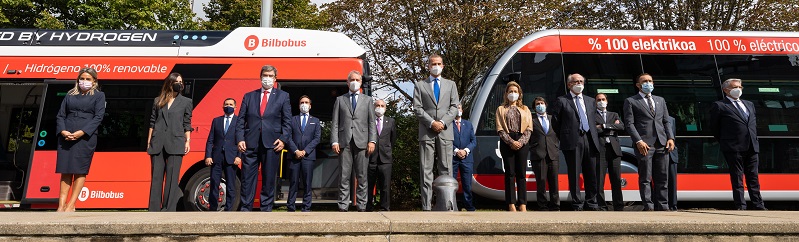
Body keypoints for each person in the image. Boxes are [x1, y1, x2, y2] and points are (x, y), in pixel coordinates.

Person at [236, 65, 292, 212]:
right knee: (247, 178)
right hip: (250, 143)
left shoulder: (283, 96)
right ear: (260, 77)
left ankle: (265, 209)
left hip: (272, 144)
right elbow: (241, 120)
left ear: (275, 78)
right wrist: (240, 139)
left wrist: (283, 139)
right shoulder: (249, 96)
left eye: (270, 76)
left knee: (268, 179)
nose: (267, 78)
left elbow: (287, 122)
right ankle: (245, 208)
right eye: (265, 75)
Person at [412, 54, 460, 211]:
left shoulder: (451, 84)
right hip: (427, 132)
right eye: (433, 63)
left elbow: (454, 107)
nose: (436, 66)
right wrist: (432, 122)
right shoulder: (420, 85)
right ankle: (426, 206)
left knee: (446, 169)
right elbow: (417, 108)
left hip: (445, 132)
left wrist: (443, 122)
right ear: (428, 66)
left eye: (439, 63)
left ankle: (447, 205)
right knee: (426, 170)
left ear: (443, 66)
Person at [709, 78, 766, 210]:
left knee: (753, 177)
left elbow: (753, 124)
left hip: (752, 145)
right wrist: (726, 141)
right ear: (725, 90)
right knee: (737, 177)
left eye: (740, 87)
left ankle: (758, 204)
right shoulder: (720, 105)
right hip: (733, 147)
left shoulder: (749, 104)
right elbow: (715, 128)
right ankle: (740, 205)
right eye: (735, 87)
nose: (738, 89)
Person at [55, 67, 106, 212]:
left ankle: (71, 205)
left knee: (79, 170)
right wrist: (63, 131)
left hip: (85, 138)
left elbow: (98, 117)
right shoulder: (70, 95)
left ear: (94, 81)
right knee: (65, 170)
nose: (84, 81)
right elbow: (60, 115)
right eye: (82, 78)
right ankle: (61, 205)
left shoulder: (99, 96)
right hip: (66, 136)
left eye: (88, 79)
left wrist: (82, 132)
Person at [622, 73, 675, 211]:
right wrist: (638, 141)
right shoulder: (631, 101)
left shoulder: (660, 100)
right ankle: (648, 206)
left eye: (650, 80)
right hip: (644, 145)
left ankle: (663, 205)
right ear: (638, 85)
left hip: (662, 144)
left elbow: (665, 121)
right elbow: (629, 123)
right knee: (645, 177)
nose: (648, 83)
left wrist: (670, 138)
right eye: (645, 81)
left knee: (663, 177)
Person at [551, 73, 601, 211]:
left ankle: (592, 202)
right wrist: (565, 135)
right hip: (573, 140)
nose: (579, 84)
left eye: (581, 81)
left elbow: (593, 119)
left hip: (590, 139)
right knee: (574, 173)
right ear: (569, 85)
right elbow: (555, 122)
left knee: (591, 173)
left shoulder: (590, 101)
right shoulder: (562, 100)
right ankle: (577, 203)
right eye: (576, 81)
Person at [147, 72, 193, 212]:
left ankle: (168, 209)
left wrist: (188, 141)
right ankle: (153, 209)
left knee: (172, 178)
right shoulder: (158, 100)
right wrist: (149, 141)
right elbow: (152, 122)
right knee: (156, 177)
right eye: (177, 81)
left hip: (176, 142)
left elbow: (187, 123)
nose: (180, 84)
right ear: (170, 83)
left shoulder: (186, 102)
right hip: (158, 142)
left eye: (181, 82)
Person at [331, 70, 376, 212]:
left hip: (362, 142)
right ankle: (343, 206)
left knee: (362, 176)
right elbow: (335, 123)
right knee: (344, 176)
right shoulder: (340, 100)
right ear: (347, 82)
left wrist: (372, 141)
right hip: (344, 142)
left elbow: (371, 123)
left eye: (357, 79)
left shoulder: (368, 100)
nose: (354, 82)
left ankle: (361, 206)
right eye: (352, 79)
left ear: (361, 82)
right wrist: (334, 141)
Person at [495, 81, 533, 212]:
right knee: (510, 173)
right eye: (510, 91)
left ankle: (523, 203)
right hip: (507, 142)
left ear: (519, 94)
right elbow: (500, 129)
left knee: (521, 173)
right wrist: (511, 142)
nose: (513, 94)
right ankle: (511, 203)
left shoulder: (525, 109)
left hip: (522, 141)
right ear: (506, 94)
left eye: (515, 92)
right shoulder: (501, 109)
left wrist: (521, 142)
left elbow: (529, 128)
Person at [204, 98, 242, 211]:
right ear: (222, 106)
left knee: (231, 185)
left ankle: (229, 209)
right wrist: (208, 155)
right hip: (217, 157)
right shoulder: (216, 121)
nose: (228, 106)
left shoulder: (239, 121)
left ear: (235, 107)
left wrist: (239, 156)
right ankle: (213, 209)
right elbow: (210, 140)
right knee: (214, 183)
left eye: (231, 104)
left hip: (231, 158)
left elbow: (241, 140)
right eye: (226, 104)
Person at [286, 95, 321, 212]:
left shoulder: (315, 121)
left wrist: (305, 151)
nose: (304, 104)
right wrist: (296, 151)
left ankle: (306, 207)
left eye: (306, 102)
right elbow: (288, 137)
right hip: (294, 156)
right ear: (299, 105)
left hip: (308, 157)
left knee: (307, 182)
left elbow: (317, 138)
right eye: (302, 102)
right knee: (293, 182)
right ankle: (291, 207)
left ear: (310, 106)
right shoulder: (292, 120)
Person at [594, 93, 625, 211]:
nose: (601, 101)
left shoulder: (614, 114)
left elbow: (621, 127)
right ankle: (601, 206)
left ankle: (619, 205)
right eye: (598, 100)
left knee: (616, 179)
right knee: (599, 180)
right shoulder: (592, 115)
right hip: (600, 150)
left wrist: (603, 126)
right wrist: (612, 127)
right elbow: (593, 130)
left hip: (614, 150)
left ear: (607, 101)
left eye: (603, 99)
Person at [529, 97, 560, 211]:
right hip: (538, 154)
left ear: (546, 105)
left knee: (554, 182)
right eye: (537, 104)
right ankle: (542, 206)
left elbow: (559, 133)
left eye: (542, 103)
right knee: (541, 182)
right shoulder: (531, 120)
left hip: (553, 153)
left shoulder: (554, 119)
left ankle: (555, 206)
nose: (540, 105)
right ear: (534, 107)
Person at [367, 99, 397, 211]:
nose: (380, 107)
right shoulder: (368, 121)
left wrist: (387, 150)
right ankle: (368, 207)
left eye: (382, 105)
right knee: (369, 185)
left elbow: (392, 139)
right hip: (371, 158)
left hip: (386, 159)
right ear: (374, 107)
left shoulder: (391, 121)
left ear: (385, 108)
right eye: (377, 105)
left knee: (385, 186)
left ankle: (385, 208)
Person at [452, 104, 476, 211]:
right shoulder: (448, 125)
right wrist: (456, 151)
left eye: (459, 108)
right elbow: (446, 141)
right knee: (452, 184)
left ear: (462, 110)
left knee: (467, 185)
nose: (458, 110)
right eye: (456, 108)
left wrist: (465, 151)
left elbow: (473, 141)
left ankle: (469, 206)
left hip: (467, 159)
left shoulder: (468, 124)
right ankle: (452, 205)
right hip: (453, 158)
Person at [667, 116, 679, 211]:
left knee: (672, 181)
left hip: (671, 154)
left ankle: (673, 205)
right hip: (658, 154)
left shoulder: (671, 119)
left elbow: (673, 136)